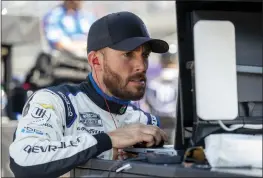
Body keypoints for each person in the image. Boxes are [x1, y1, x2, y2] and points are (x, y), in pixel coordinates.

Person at [9, 11, 169, 178]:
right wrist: (106, 140)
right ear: (95, 61)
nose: (141, 66)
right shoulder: (55, 101)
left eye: (145, 55)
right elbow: (23, 160)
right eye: (128, 54)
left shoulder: (146, 123)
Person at [145, 51, 179, 144]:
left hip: (158, 118)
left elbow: (148, 101)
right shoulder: (180, 79)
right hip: (176, 118)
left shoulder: (153, 80)